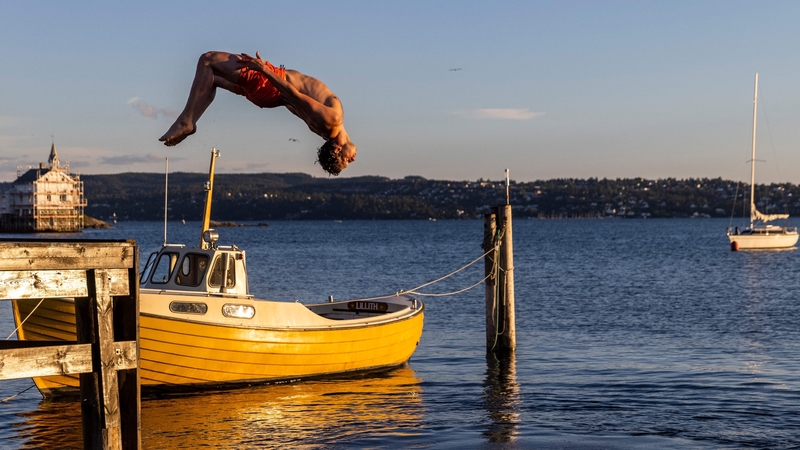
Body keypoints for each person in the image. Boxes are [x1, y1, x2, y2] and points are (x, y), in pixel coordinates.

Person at [159, 51, 356, 175]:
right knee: (213, 78)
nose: (353, 158)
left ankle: (186, 121)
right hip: (269, 95)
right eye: (350, 161)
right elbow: (293, 104)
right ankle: (189, 121)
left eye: (347, 160)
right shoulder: (325, 129)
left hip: (270, 85)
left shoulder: (332, 121)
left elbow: (293, 94)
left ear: (337, 149)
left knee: (207, 60)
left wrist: (264, 70)